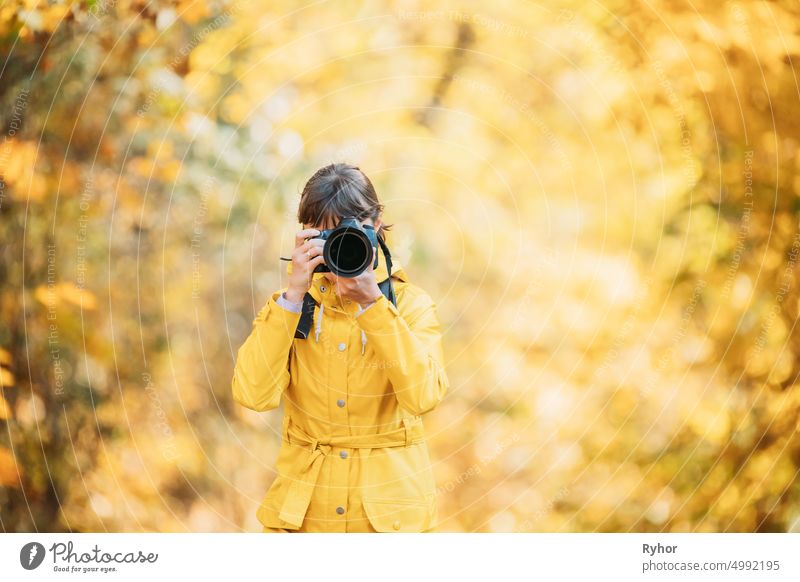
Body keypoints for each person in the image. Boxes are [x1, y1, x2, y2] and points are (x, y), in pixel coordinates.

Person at [231, 162, 450, 532]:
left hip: (387, 524)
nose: (339, 248)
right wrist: (293, 295)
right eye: (325, 236)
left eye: (348, 234)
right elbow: (252, 395)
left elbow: (423, 397)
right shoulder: (292, 307)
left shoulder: (409, 306)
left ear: (376, 226)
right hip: (305, 518)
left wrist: (373, 307)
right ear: (305, 235)